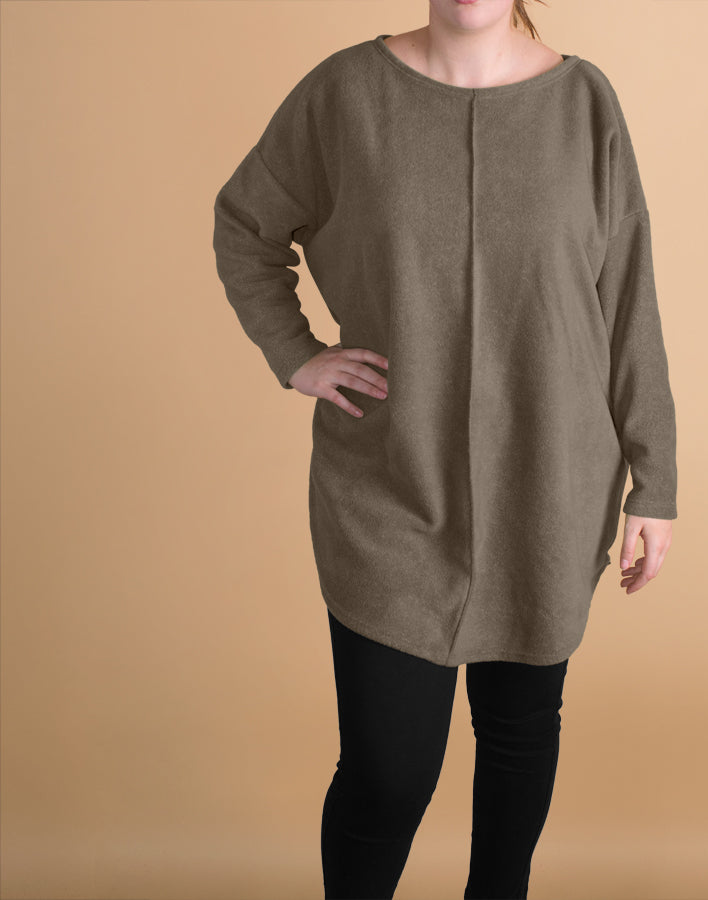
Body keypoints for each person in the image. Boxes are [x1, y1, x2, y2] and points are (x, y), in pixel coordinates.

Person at [213, 1, 677, 896]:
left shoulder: (584, 103)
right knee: (388, 774)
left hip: (550, 481)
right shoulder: (345, 95)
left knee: (517, 742)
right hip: (389, 481)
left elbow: (628, 299)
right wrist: (296, 354)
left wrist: (654, 480)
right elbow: (246, 223)